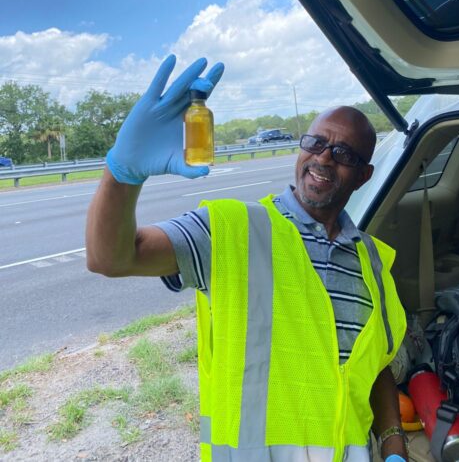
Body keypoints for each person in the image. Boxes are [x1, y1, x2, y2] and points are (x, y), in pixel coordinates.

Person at [86, 55, 408, 462]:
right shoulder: (231, 228)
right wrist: (123, 172)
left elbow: (374, 364)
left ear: (364, 175)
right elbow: (110, 258)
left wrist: (395, 445)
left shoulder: (373, 262)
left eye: (344, 153)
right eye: (316, 143)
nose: (324, 158)